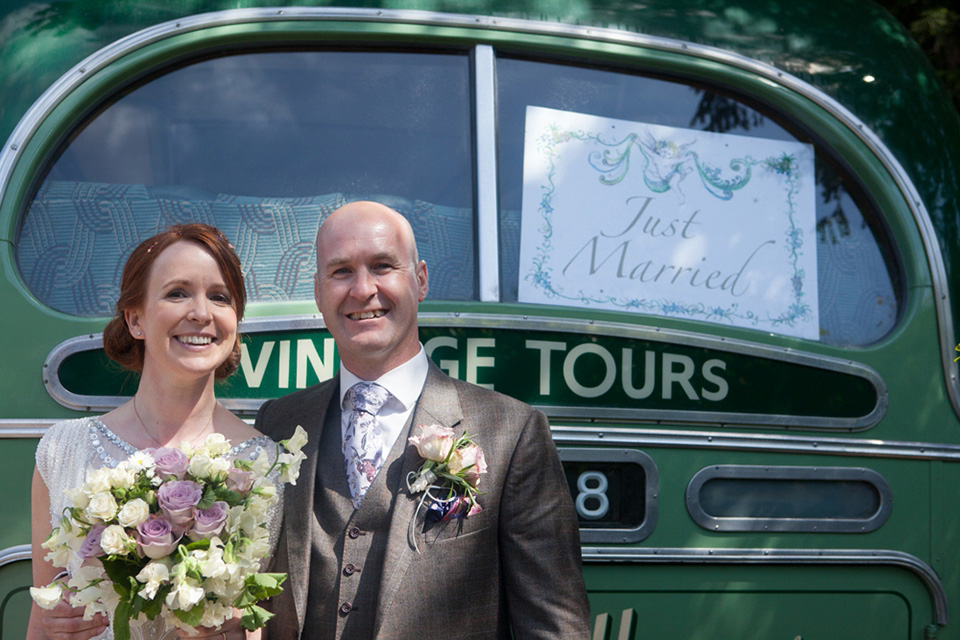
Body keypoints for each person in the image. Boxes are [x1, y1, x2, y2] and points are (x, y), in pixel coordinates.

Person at [255, 201, 592, 639]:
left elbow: (554, 626)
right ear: (319, 291)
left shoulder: (511, 431)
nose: (362, 289)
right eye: (341, 272)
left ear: (420, 280)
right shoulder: (277, 423)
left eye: (382, 266)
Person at [29, 224, 281, 640]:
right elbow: (42, 624)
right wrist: (55, 623)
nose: (201, 313)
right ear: (136, 319)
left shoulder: (266, 466)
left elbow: (271, 623)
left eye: (219, 297)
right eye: (177, 293)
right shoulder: (62, 451)